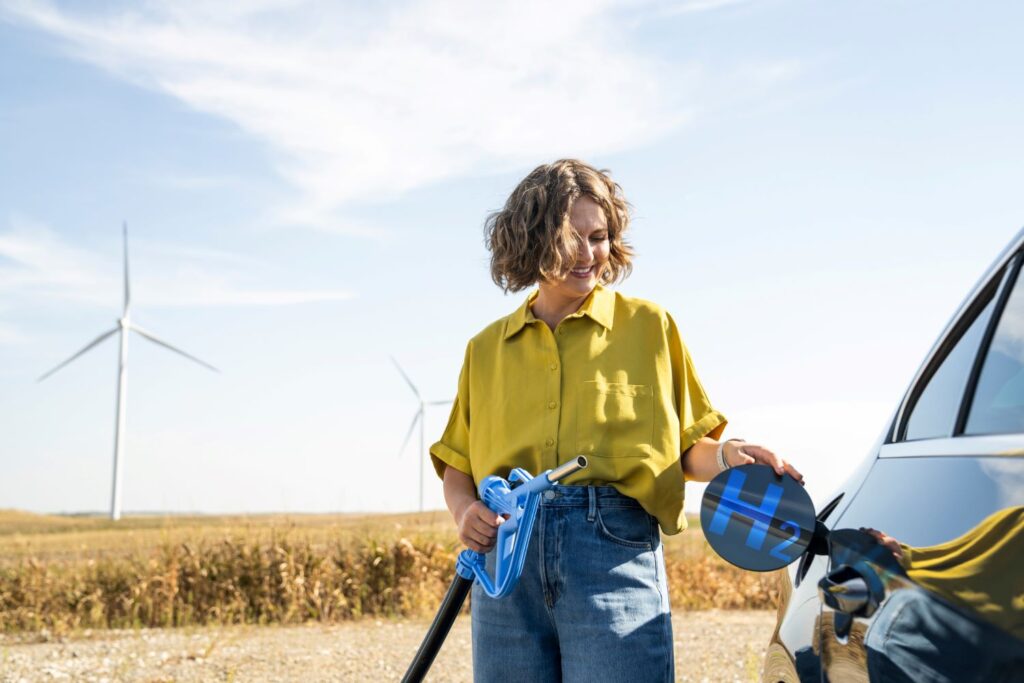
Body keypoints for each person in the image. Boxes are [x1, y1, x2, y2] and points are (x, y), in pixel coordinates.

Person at [429, 159, 802, 682]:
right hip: (505, 564)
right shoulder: (484, 350)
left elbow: (683, 447)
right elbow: (457, 464)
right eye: (570, 237)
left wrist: (726, 456)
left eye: (599, 236)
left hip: (611, 549)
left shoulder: (649, 327)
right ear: (531, 240)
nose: (588, 254)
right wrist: (465, 509)